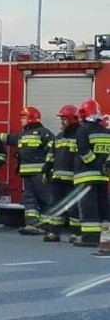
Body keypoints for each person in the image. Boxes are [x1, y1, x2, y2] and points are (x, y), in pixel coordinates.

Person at [2, 106, 54, 235]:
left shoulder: (44, 133)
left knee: (45, 198)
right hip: (27, 173)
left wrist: (48, 167)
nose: (21, 120)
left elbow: (53, 150)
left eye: (23, 117)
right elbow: (11, 139)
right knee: (29, 198)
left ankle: (46, 226)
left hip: (40, 173)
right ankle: (32, 224)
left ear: (31, 118)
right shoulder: (23, 134)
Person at [71, 99, 110, 247]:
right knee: (104, 207)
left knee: (89, 208)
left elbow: (84, 151)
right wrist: (105, 166)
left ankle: (90, 238)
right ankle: (105, 238)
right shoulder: (107, 132)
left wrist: (97, 165)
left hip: (86, 176)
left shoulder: (83, 131)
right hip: (104, 177)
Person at [42, 105, 81, 243]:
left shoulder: (80, 136)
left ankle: (76, 233)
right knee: (56, 205)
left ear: (71, 119)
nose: (61, 122)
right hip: (57, 178)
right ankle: (54, 232)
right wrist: (46, 168)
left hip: (73, 179)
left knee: (73, 208)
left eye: (64, 119)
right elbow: (51, 154)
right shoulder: (58, 137)